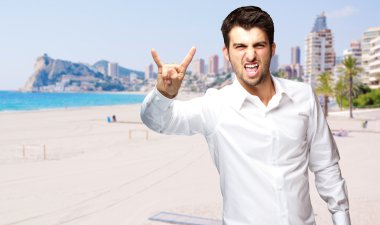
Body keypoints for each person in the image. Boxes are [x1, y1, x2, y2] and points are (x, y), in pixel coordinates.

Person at [141, 6, 350, 225]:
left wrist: (342, 218)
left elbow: (326, 165)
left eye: (258, 45)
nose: (250, 55)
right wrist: (164, 93)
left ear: (272, 48)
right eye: (240, 46)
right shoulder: (216, 105)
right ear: (227, 53)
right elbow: (159, 121)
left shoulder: (303, 96)